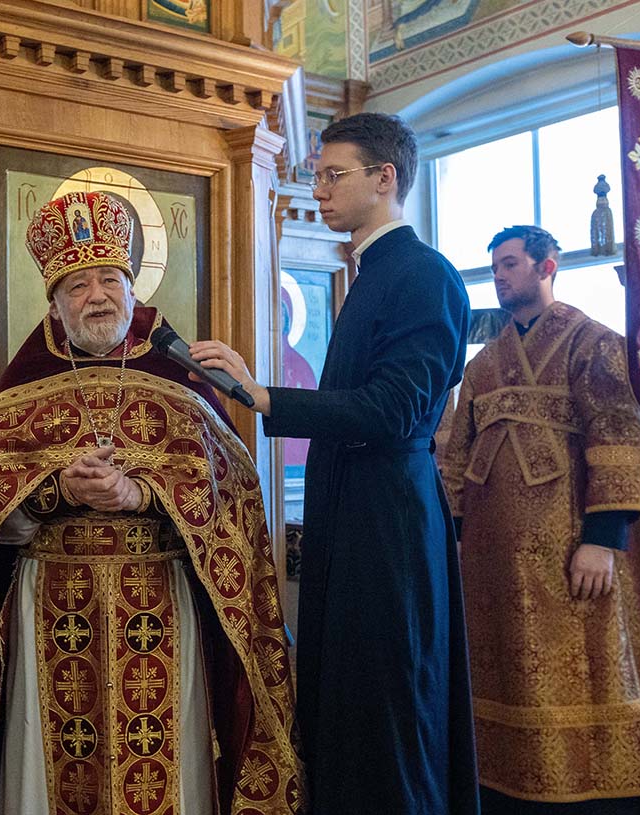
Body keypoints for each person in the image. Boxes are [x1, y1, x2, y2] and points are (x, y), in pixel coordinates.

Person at [0, 190, 304, 815]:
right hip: (49, 603)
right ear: (54, 302)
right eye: (77, 285)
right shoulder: (21, 385)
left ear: (133, 287)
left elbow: (232, 502)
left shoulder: (178, 377)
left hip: (160, 599)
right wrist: (56, 491)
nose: (98, 296)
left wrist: (145, 494)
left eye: (110, 279)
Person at [189, 112, 479, 815]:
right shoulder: (376, 272)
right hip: (358, 514)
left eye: (332, 175)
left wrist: (262, 395)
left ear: (385, 178)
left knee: (388, 710)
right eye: (316, 176)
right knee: (349, 705)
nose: (317, 190)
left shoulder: (423, 275)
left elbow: (393, 409)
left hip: (389, 526)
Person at [440, 225, 640, 814]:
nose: (499, 276)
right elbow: (456, 457)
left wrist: (603, 539)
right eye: (495, 267)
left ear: (548, 267)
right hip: (490, 561)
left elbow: (617, 436)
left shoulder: (593, 343)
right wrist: (453, 538)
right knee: (503, 678)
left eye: (511, 264)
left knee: (585, 672)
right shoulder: (484, 365)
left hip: (568, 553)